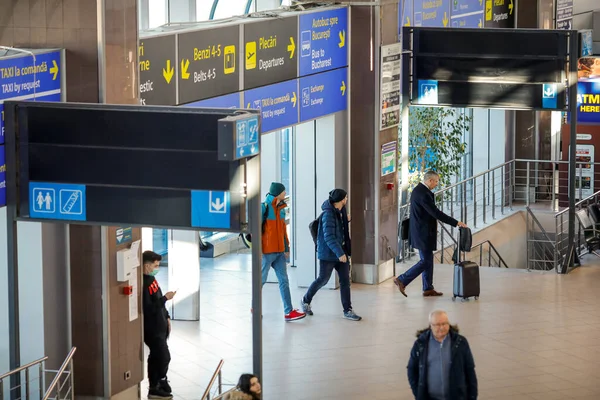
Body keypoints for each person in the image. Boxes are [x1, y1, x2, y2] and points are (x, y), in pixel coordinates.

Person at [393, 171, 467, 297]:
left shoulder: (418, 190)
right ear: (430, 180)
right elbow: (436, 213)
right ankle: (403, 279)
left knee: (427, 259)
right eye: (436, 181)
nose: (437, 184)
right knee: (425, 261)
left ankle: (428, 288)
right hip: (423, 233)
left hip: (420, 231)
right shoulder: (424, 194)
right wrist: (456, 222)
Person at [301, 189, 361, 321]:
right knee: (322, 280)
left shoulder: (339, 212)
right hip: (328, 254)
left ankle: (348, 310)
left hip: (340, 251)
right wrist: (340, 253)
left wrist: (345, 219)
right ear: (340, 200)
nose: (346, 200)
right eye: (345, 198)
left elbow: (337, 230)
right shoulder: (328, 214)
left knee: (345, 281)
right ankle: (305, 300)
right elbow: (329, 237)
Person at [407, 310, 478, 400]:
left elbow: (470, 370)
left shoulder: (460, 342)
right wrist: (418, 393)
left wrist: (472, 396)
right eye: (437, 324)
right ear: (430, 326)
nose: (441, 327)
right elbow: (411, 369)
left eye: (444, 324)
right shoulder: (420, 344)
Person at [261, 182, 306, 321]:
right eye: (283, 191)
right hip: (266, 252)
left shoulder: (281, 209)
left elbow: (282, 230)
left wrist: (286, 248)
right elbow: (255, 229)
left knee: (284, 281)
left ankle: (288, 311)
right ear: (277, 193)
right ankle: (254, 306)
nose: (285, 193)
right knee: (260, 281)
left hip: (279, 252)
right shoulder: (264, 207)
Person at [142, 251, 176, 399]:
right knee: (163, 356)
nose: (157, 268)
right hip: (152, 329)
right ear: (146, 265)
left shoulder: (152, 279)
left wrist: (167, 316)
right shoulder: (144, 284)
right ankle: (159, 381)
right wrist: (165, 298)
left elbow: (159, 303)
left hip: (161, 325)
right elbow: (148, 308)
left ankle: (155, 385)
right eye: (155, 265)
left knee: (156, 357)